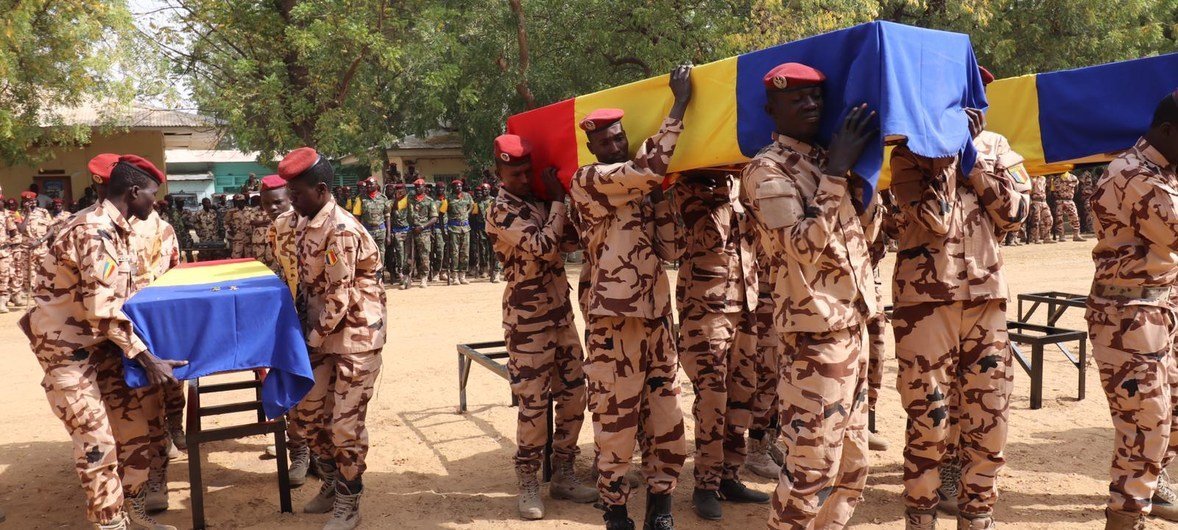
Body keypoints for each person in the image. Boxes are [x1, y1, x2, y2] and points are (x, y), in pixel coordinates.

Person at [739, 62, 879, 529]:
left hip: (852, 325)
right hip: (814, 336)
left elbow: (865, 238)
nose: (811, 105)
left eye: (816, 97)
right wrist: (837, 172)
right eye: (796, 98)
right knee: (810, 467)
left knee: (853, 464)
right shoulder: (766, 169)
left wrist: (856, 177)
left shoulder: (826, 158)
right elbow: (801, 247)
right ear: (771, 108)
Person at [20, 155, 186, 530]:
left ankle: (132, 511)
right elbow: (104, 309)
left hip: (103, 347)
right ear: (132, 192)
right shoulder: (95, 231)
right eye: (150, 193)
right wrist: (148, 359)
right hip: (68, 354)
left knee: (134, 434)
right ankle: (110, 525)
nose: (154, 202)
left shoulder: (117, 228)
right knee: (97, 443)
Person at [889, 90, 1030, 528]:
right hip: (926, 306)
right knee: (929, 423)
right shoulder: (909, 154)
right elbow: (934, 217)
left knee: (989, 424)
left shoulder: (998, 147)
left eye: (977, 103)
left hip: (986, 300)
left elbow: (1015, 214)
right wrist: (949, 161)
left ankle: (977, 519)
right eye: (961, 103)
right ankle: (921, 520)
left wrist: (977, 162)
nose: (972, 112)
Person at [568, 64, 692, 530]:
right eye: (606, 140)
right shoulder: (588, 182)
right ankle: (615, 510)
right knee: (615, 422)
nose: (615, 144)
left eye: (621, 137)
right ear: (591, 145)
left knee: (666, 418)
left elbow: (673, 250)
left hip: (657, 318)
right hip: (612, 323)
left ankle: (661, 505)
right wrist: (678, 106)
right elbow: (646, 170)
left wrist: (663, 200)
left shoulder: (643, 189)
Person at [485, 134, 598, 519]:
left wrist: (558, 201)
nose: (522, 178)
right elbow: (546, 246)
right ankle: (529, 479)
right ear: (497, 172)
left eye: (525, 172)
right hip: (527, 319)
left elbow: (570, 240)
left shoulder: (537, 201)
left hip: (560, 312)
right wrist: (557, 201)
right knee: (533, 404)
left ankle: (564, 471)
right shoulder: (500, 210)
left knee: (573, 392)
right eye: (514, 173)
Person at [279, 147, 387, 530]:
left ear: (321, 189)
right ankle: (329, 481)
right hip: (318, 334)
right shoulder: (300, 221)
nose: (291, 200)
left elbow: (339, 296)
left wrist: (308, 342)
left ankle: (348, 499)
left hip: (355, 337)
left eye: (297, 193)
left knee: (344, 425)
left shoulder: (339, 229)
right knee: (307, 417)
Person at [1087, 91, 1178, 529]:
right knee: (1145, 430)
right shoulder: (1133, 175)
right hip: (1127, 318)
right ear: (1166, 132)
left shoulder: (1163, 171)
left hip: (1157, 311)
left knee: (1167, 421)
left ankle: (1144, 502)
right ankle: (1125, 520)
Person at [673, 170, 768, 521]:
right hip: (706, 310)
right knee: (712, 398)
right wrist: (727, 198)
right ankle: (705, 484)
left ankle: (730, 476)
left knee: (743, 393)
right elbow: (711, 235)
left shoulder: (740, 185)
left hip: (745, 305)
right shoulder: (688, 187)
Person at [127, 189, 182, 515]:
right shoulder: (93, 229)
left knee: (153, 403)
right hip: (112, 329)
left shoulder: (161, 229)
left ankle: (155, 478)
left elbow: (174, 272)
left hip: (152, 327)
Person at [260, 174, 313, 488]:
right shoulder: (275, 230)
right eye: (266, 203)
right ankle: (300, 452)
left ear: (292, 197)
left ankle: (318, 452)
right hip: (292, 317)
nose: (271, 208)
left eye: (277, 202)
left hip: (321, 318)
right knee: (292, 382)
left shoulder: (314, 224)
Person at [19, 190, 53, 304]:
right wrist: (27, 214)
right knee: (30, 275)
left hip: (42, 248)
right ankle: (35, 298)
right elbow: (20, 229)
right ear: (24, 202)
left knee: (47, 272)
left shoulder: (43, 212)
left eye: (33, 200)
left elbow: (51, 229)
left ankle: (47, 295)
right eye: (28, 201)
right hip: (27, 250)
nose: (32, 203)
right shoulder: (19, 214)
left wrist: (40, 241)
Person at [357, 177, 391, 278]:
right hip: (367, 231)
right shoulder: (360, 198)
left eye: (371, 184)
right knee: (368, 254)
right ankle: (370, 275)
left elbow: (388, 217)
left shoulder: (383, 198)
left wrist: (388, 234)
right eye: (367, 185)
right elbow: (357, 217)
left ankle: (379, 275)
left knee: (381, 253)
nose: (369, 186)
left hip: (381, 230)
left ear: (376, 185)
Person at [407, 179, 437, 288]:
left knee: (424, 256)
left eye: (420, 186)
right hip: (411, 231)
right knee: (409, 256)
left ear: (424, 187)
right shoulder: (410, 199)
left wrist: (422, 226)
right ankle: (407, 277)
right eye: (416, 187)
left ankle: (424, 278)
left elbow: (434, 218)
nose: (418, 188)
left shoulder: (430, 201)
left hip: (424, 232)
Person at [445, 179, 474, 284]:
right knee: (455, 253)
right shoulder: (448, 198)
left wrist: (467, 213)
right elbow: (444, 211)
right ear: (452, 188)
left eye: (460, 186)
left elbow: (472, 205)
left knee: (465, 252)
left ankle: (463, 275)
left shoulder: (467, 196)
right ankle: (455, 275)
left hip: (465, 228)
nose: (459, 188)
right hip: (453, 228)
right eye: (456, 186)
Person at [1051, 171, 1085, 241]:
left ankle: (1076, 235)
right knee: (1059, 219)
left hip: (1070, 200)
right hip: (1059, 200)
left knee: (1075, 217)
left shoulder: (1074, 178)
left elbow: (1076, 190)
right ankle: (1061, 236)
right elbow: (1052, 192)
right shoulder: (1055, 179)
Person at [388, 184, 411, 289]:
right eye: (397, 190)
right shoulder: (392, 202)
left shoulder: (410, 200)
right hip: (397, 232)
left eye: (401, 190)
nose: (399, 192)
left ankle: (409, 276)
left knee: (409, 255)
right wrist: (396, 199)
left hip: (409, 231)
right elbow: (388, 215)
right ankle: (401, 275)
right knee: (399, 254)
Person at [431, 185, 449, 282]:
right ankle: (436, 272)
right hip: (437, 228)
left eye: (442, 188)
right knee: (439, 251)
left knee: (447, 252)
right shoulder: (432, 202)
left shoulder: (448, 200)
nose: (440, 190)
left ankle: (444, 271)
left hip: (449, 228)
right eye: (438, 188)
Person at [1029, 175, 1053, 244]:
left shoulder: (1043, 178)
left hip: (1044, 201)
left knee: (1049, 219)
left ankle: (1047, 237)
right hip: (1035, 202)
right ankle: (1036, 238)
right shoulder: (1031, 178)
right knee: (1035, 221)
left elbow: (1046, 190)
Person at [226, 194, 249, 258]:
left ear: (244, 201)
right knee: (236, 256)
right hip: (237, 238)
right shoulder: (231, 212)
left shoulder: (250, 210)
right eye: (238, 201)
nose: (240, 202)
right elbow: (226, 223)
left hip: (248, 238)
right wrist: (230, 231)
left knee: (248, 257)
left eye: (242, 201)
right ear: (236, 202)